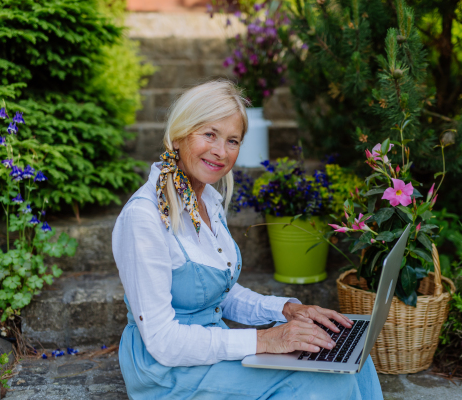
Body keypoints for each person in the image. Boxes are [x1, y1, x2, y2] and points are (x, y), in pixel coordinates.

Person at [112, 80, 384, 399]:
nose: (220, 151)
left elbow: (216, 291)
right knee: (327, 381)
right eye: (209, 134)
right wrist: (266, 340)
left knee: (350, 357)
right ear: (179, 134)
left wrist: (285, 310)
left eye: (232, 140)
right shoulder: (143, 218)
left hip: (210, 347)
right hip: (166, 371)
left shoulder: (208, 200)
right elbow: (163, 342)